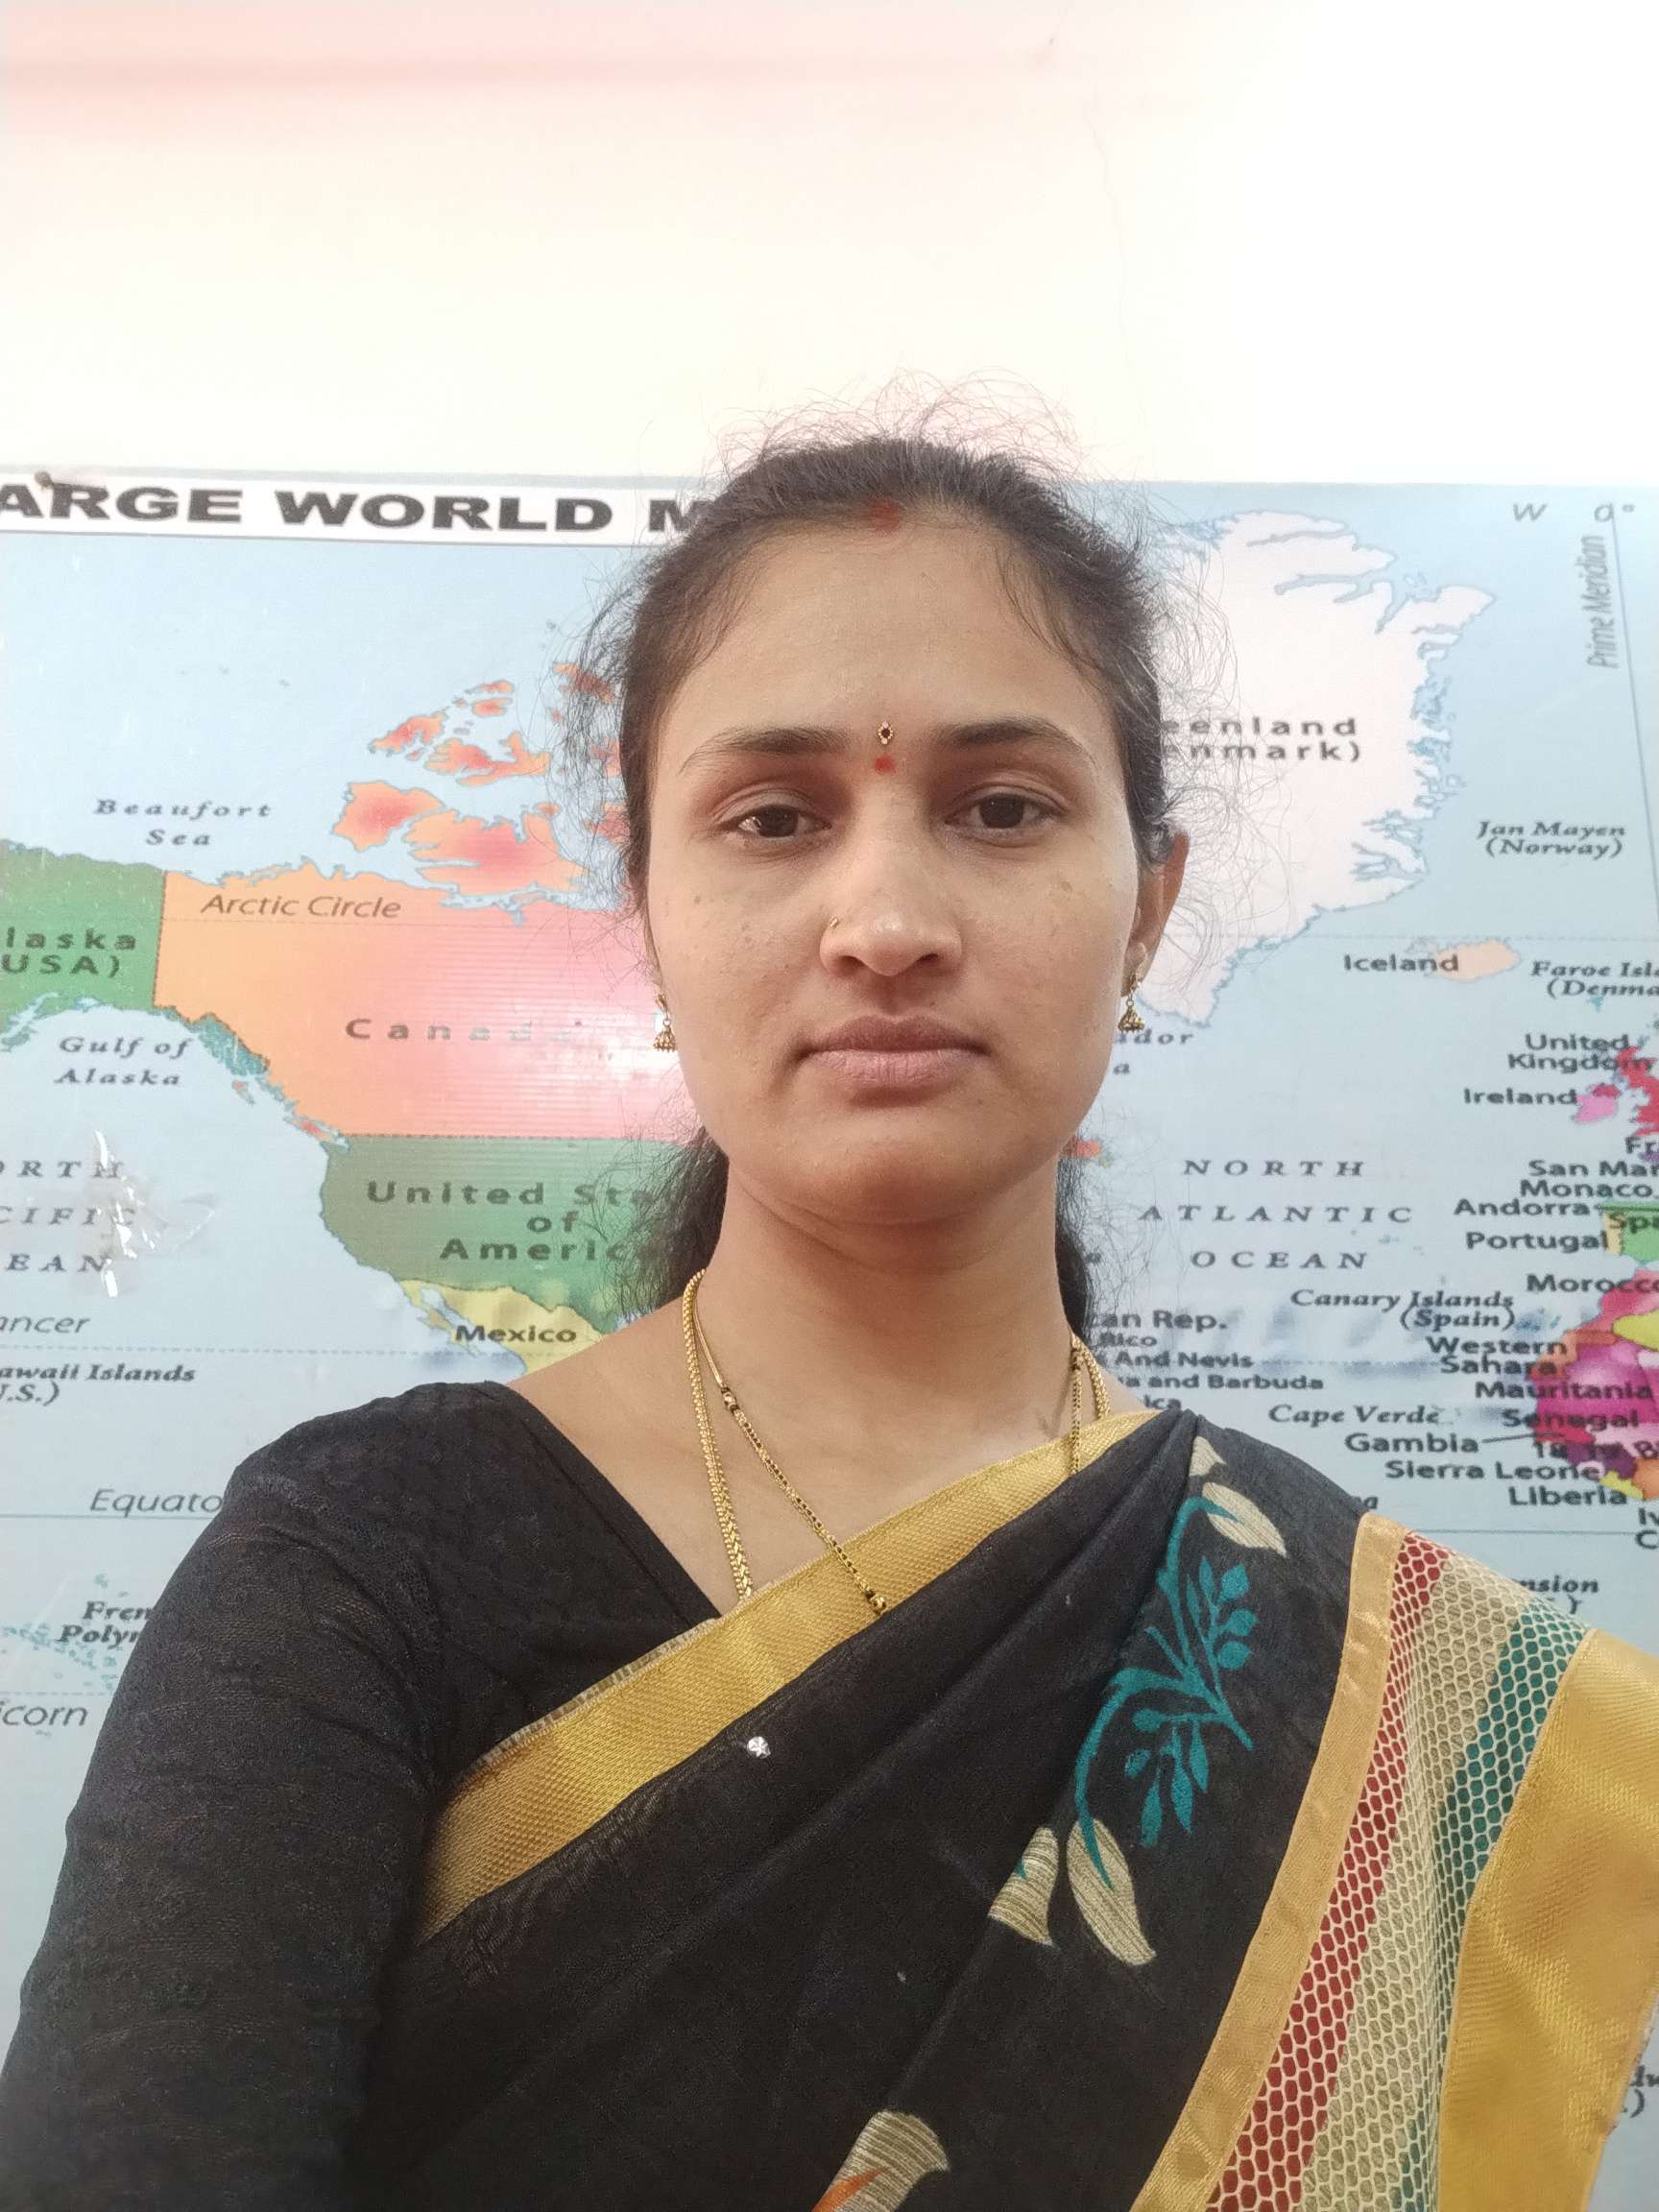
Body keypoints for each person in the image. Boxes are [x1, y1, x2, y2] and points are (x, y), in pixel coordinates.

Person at [2, 410, 1656, 2212]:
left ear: (1151, 906)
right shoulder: (359, 1566)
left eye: (1002, 808)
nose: (884, 920)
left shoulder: (1361, 1672)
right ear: (648, 909)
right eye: (775, 817)